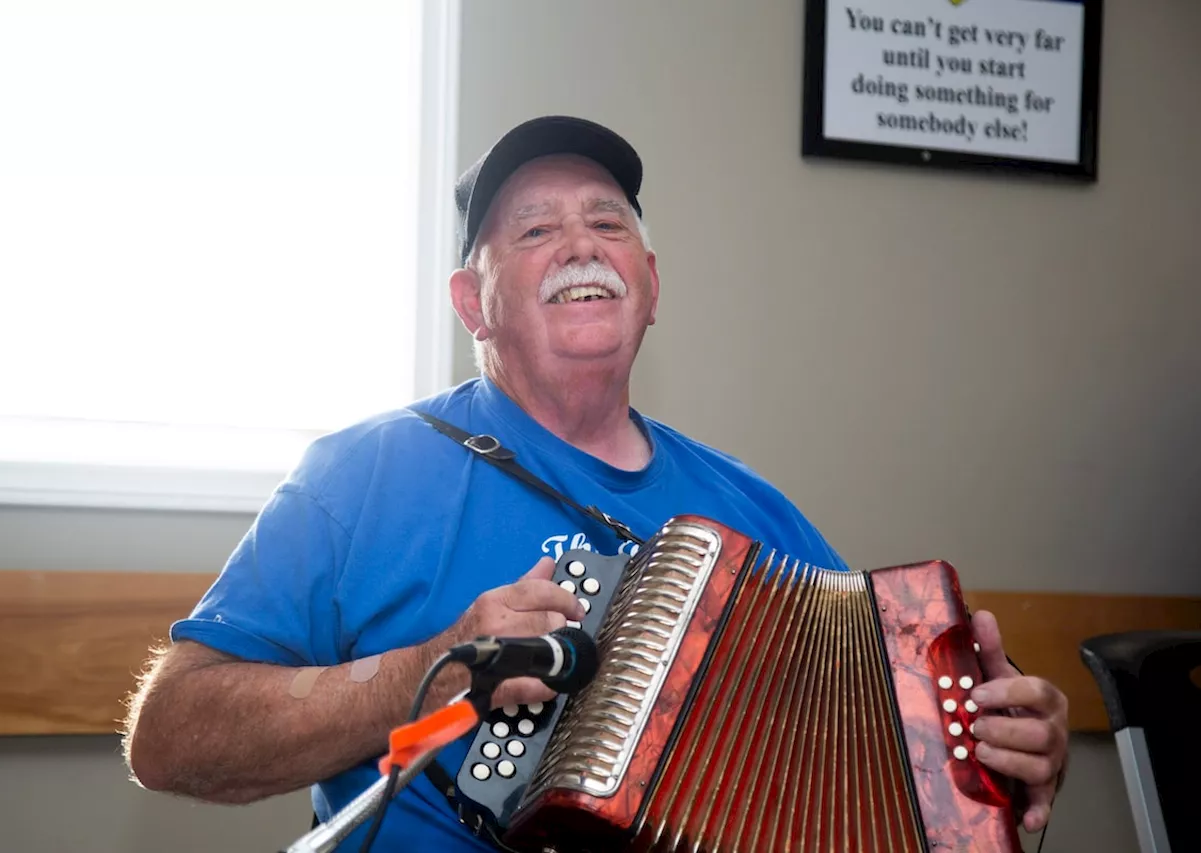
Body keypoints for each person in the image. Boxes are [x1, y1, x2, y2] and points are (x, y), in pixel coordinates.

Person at [122, 116, 1069, 852]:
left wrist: (997, 759)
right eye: (535, 228)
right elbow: (167, 735)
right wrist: (434, 668)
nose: (581, 245)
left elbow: (883, 771)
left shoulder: (758, 514)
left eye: (607, 223)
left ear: (648, 284)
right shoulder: (361, 475)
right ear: (471, 303)